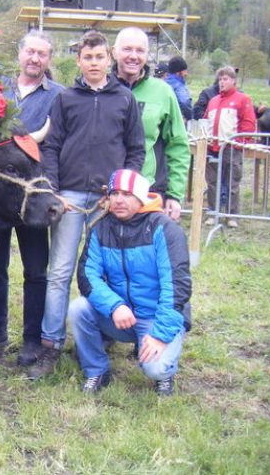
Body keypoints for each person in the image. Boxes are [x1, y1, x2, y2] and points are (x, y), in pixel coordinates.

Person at [33, 30, 145, 380]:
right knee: (60, 272)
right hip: (69, 196)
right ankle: (50, 345)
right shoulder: (66, 99)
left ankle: (95, 339)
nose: (94, 64)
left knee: (103, 272)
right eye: (87, 57)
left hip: (106, 199)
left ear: (108, 59)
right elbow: (51, 147)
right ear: (78, 61)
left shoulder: (124, 100)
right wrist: (54, 190)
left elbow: (135, 149)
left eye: (99, 57)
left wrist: (120, 192)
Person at [0, 30, 64, 368]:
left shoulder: (58, 96)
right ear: (20, 53)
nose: (35, 59)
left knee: (36, 270)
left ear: (48, 59)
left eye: (42, 54)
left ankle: (31, 339)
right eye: (30, 52)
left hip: (35, 194)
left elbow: (56, 147)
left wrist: (52, 188)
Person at [69, 169, 191, 396]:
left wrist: (160, 335)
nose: (119, 200)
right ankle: (97, 370)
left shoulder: (165, 228)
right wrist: (115, 306)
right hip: (122, 316)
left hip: (155, 316)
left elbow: (176, 286)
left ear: (141, 197)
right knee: (78, 309)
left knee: (155, 369)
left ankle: (165, 373)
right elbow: (87, 275)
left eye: (127, 194)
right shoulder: (100, 228)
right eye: (114, 194)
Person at [112, 27, 190, 222]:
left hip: (148, 190)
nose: (133, 56)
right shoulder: (101, 90)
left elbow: (178, 145)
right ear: (114, 52)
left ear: (147, 55)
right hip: (108, 192)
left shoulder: (163, 92)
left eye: (140, 51)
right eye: (127, 49)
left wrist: (174, 195)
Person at [203, 66, 257, 229]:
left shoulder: (243, 99)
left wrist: (241, 141)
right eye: (220, 79)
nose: (222, 82)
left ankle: (232, 215)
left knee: (233, 182)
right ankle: (213, 212)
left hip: (232, 147)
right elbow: (206, 120)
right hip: (213, 146)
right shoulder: (213, 101)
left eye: (225, 79)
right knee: (212, 182)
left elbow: (248, 122)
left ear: (233, 80)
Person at [164, 56, 193, 121]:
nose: (186, 74)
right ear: (178, 72)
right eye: (185, 71)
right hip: (177, 122)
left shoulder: (164, 83)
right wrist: (190, 118)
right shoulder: (179, 86)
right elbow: (185, 102)